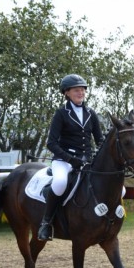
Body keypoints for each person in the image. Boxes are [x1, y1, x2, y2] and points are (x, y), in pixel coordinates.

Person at [37, 74, 104, 241]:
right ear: (67, 93)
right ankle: (46, 224)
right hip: (64, 161)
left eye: (82, 90)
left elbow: (100, 140)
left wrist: (99, 156)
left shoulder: (91, 113)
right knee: (60, 183)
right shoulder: (61, 113)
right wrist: (70, 159)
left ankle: (109, 220)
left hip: (87, 160)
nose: (80, 92)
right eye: (76, 90)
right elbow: (51, 144)